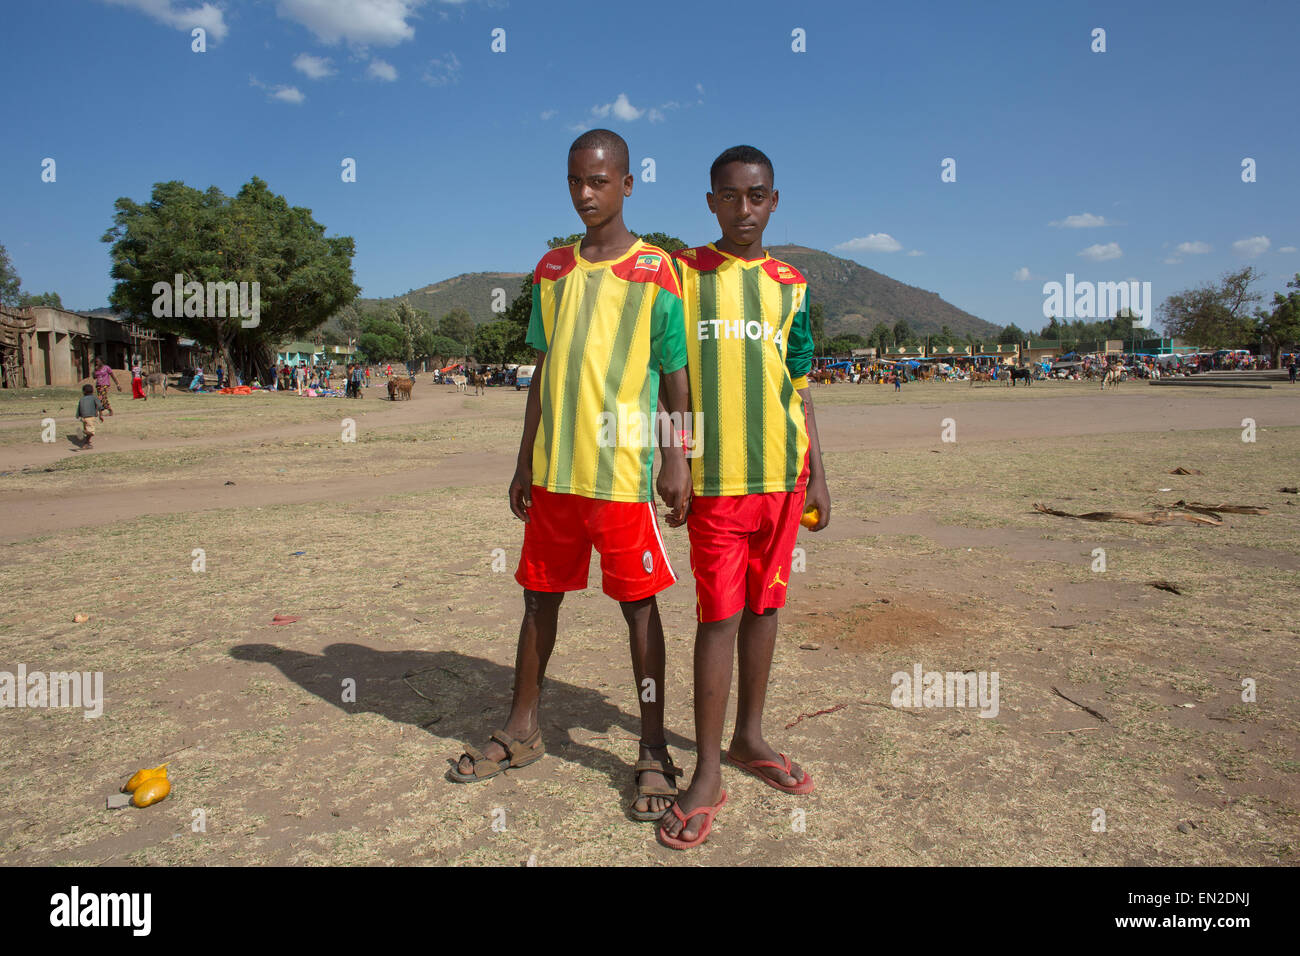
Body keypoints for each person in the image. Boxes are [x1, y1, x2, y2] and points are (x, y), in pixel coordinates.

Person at [449, 129, 693, 823]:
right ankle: (523, 729)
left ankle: (652, 748)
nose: (586, 194)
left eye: (599, 181)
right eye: (575, 182)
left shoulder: (658, 269)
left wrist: (680, 456)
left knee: (639, 608)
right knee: (538, 600)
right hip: (556, 473)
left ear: (626, 184)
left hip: (619, 473)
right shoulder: (552, 269)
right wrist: (524, 458)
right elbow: (545, 373)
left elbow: (676, 375)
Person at [660, 144, 830, 850]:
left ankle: (750, 738)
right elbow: (667, 374)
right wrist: (674, 457)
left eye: (756, 196)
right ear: (710, 203)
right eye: (730, 197)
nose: (744, 209)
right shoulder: (681, 276)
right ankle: (706, 772)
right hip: (719, 483)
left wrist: (819, 471)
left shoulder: (791, 284)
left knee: (766, 608)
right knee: (719, 619)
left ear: (774, 200)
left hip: (783, 479)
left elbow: (799, 386)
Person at [76, 383, 104, 449]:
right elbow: (99, 406)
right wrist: (101, 415)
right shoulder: (94, 397)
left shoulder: (82, 399)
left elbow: (79, 408)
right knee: (91, 432)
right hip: (90, 417)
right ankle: (84, 432)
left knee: (87, 429)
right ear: (92, 391)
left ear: (83, 391)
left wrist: (78, 415)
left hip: (83, 417)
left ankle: (86, 444)